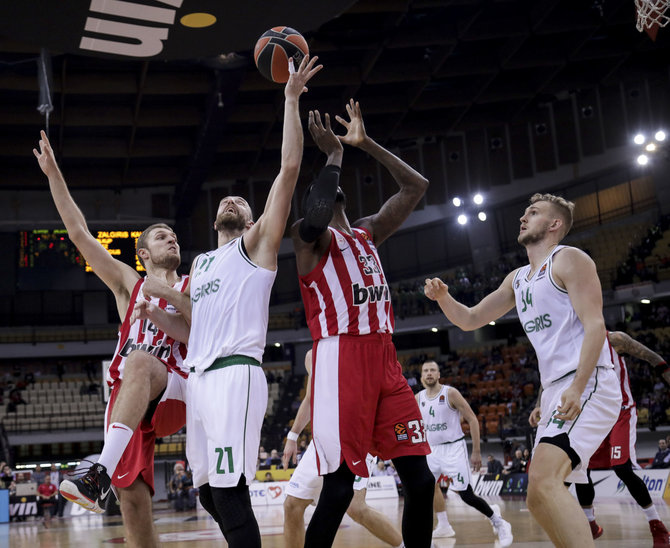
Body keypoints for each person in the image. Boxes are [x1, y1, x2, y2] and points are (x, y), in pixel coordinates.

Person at [146, 54, 321, 548]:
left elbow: (288, 170)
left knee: (230, 491)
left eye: (241, 204)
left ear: (251, 222)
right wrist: (160, 310)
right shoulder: (201, 264)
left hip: (233, 374)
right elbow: (194, 328)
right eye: (227, 200)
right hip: (200, 377)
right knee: (206, 491)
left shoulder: (255, 248)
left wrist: (289, 99)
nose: (231, 202)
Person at [425, 193, 622, 547]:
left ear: (554, 224)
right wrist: (443, 298)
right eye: (525, 212)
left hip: (588, 380)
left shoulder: (569, 259)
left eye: (534, 213)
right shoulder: (517, 279)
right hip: (555, 390)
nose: (523, 217)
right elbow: (470, 319)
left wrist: (576, 388)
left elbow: (595, 327)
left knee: (546, 481)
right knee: (538, 496)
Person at [34, 132, 190, 548]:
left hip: (179, 386)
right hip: (129, 392)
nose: (171, 238)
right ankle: (106, 479)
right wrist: (54, 176)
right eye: (161, 236)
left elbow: (203, 326)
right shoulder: (129, 285)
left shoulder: (195, 281)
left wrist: (167, 301)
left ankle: (97, 472)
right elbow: (80, 234)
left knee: (139, 358)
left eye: (174, 235)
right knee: (133, 501)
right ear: (142, 254)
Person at [291, 101, 434, 548]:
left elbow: (416, 186)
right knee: (338, 487)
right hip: (341, 357)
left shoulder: (368, 232)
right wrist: (332, 155)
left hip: (385, 359)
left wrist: (365, 144)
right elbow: (315, 214)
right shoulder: (308, 238)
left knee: (421, 480)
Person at [531, 330, 670, 544]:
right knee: (580, 468)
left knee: (621, 467)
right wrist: (540, 404)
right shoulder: (564, 342)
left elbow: (653, 358)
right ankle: (590, 523)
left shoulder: (614, 339)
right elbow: (551, 376)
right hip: (588, 410)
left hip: (619, 409)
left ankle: (657, 526)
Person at [282, 350, 404, 548]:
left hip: (358, 439)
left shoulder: (362, 348)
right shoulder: (312, 356)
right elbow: (310, 399)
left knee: (356, 508)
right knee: (292, 504)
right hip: (323, 438)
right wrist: (293, 436)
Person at [417, 360, 512, 545]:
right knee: (423, 494)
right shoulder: (417, 398)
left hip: (453, 448)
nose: (429, 373)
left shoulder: (450, 393)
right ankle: (426, 537)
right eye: (425, 371)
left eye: (432, 370)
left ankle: (499, 522)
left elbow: (472, 419)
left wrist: (476, 451)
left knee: (466, 495)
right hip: (431, 450)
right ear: (421, 376)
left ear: (438, 375)